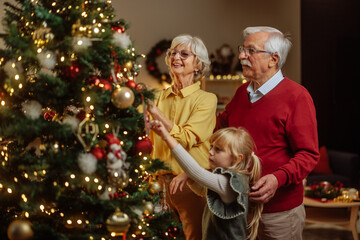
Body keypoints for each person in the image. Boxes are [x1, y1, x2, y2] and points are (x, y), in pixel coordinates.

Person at [216, 26, 320, 240]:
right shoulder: (240, 93)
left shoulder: (297, 96)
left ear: (273, 59)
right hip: (240, 208)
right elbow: (218, 132)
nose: (241, 56)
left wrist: (276, 178)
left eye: (250, 51)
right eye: (242, 49)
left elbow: (308, 155)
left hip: (280, 213)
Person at [148, 34, 217, 240]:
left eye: (184, 54)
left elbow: (186, 138)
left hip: (191, 183)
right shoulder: (158, 97)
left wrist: (156, 112)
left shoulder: (207, 99)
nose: (176, 57)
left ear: (198, 65)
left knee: (193, 236)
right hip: (157, 183)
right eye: (172, 53)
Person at [151, 120, 262, 240]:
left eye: (218, 149)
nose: (210, 152)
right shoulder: (228, 179)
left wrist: (167, 136)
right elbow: (204, 191)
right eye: (211, 147)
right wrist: (190, 178)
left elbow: (196, 172)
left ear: (236, 159)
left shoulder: (231, 182)